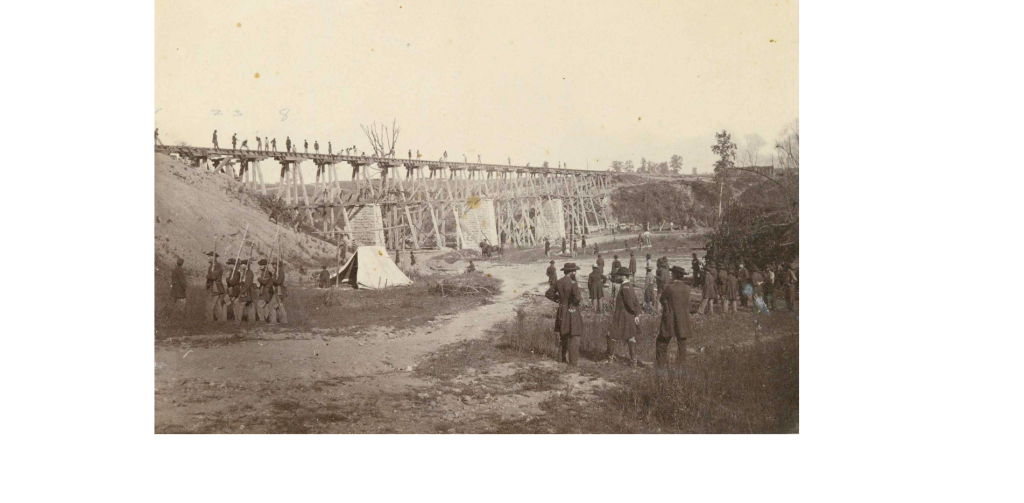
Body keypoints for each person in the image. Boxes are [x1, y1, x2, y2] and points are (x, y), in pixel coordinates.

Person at [545, 263, 584, 365]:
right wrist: (573, 305)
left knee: (563, 334)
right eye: (574, 271)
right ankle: (573, 362)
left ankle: (560, 358)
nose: (575, 273)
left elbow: (548, 293)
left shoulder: (559, 282)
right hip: (572, 311)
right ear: (571, 272)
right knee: (574, 335)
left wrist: (559, 300)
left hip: (561, 311)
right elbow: (577, 298)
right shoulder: (573, 283)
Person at [656, 266, 693, 373]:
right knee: (682, 343)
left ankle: (660, 368)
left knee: (662, 342)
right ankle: (680, 368)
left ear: (675, 275)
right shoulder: (687, 288)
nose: (671, 275)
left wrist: (667, 307)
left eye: (672, 273)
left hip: (670, 318)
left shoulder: (670, 288)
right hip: (683, 319)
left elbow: (662, 299)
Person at [609, 266, 641, 366]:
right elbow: (635, 302)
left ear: (623, 276)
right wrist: (636, 313)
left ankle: (610, 359)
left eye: (619, 275)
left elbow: (630, 303)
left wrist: (635, 312)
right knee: (630, 337)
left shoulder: (625, 287)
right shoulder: (628, 286)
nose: (617, 277)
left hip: (622, 316)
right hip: (629, 316)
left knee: (612, 335)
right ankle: (633, 361)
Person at [205, 251, 227, 320]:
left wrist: (208, 276)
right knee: (218, 305)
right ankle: (220, 321)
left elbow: (213, 277)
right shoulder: (211, 266)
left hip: (215, 288)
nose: (208, 258)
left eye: (210, 257)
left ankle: (209, 322)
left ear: (213, 257)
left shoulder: (218, 266)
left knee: (209, 305)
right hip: (214, 288)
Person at [257, 258, 276, 323]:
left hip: (266, 291)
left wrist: (259, 278)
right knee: (265, 306)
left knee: (259, 305)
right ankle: (265, 319)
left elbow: (264, 282)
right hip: (264, 291)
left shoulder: (267, 273)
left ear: (265, 265)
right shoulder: (263, 272)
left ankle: (262, 320)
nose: (260, 266)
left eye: (261, 265)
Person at [272, 259, 288, 323]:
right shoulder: (277, 272)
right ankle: (283, 320)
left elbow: (278, 281)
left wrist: (272, 279)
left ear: (277, 265)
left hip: (279, 290)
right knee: (279, 306)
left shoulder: (280, 272)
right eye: (272, 264)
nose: (273, 265)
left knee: (273, 306)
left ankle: (274, 322)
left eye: (274, 264)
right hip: (277, 290)